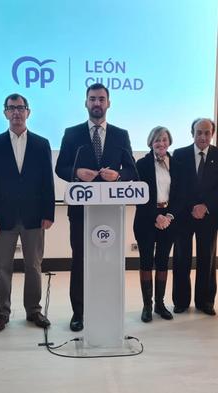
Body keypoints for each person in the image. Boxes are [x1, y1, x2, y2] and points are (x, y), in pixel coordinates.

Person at [55, 83, 138, 331]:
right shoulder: (72, 134)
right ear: (86, 103)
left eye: (101, 99)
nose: (97, 103)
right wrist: (77, 172)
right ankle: (78, 313)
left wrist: (119, 176)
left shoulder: (121, 135)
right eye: (92, 99)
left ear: (109, 103)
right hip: (80, 212)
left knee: (108, 261)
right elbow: (60, 168)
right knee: (80, 261)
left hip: (111, 212)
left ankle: (106, 308)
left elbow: (132, 170)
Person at [0, 93, 55, 332]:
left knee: (33, 265)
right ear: (5, 112)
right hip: (3, 218)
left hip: (35, 216)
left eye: (20, 108)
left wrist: (49, 212)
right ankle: (2, 313)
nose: (16, 112)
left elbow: (48, 182)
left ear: (28, 112)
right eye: (11, 108)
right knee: (2, 266)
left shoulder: (41, 144)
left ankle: (33, 311)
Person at [172, 118, 218, 315]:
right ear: (192, 133)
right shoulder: (179, 154)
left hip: (209, 214)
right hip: (183, 215)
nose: (203, 136)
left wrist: (205, 206)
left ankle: (206, 302)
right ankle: (181, 301)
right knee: (181, 259)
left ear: (212, 133)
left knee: (207, 259)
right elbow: (177, 186)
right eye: (199, 132)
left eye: (207, 132)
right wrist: (192, 206)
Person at [133, 126, 184, 322]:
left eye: (164, 139)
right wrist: (156, 216)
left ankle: (160, 304)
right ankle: (147, 305)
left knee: (163, 260)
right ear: (150, 143)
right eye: (157, 140)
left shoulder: (177, 164)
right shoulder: (142, 164)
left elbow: (181, 195)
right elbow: (139, 195)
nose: (161, 143)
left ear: (169, 141)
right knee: (146, 261)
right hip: (147, 217)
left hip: (170, 218)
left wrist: (168, 216)